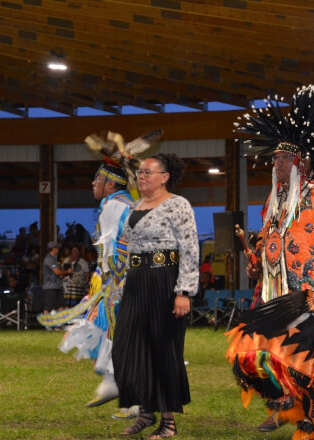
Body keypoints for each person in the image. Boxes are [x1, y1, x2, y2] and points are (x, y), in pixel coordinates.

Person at [226, 85, 314, 439]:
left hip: (313, 298)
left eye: (284, 159)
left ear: (301, 161)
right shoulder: (273, 203)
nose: (277, 164)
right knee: (247, 355)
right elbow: (270, 246)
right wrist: (257, 265)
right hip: (275, 299)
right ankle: (290, 409)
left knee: (311, 371)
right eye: (274, 159)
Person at [38, 130, 161, 414]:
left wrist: (110, 279)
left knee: (113, 331)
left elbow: (118, 249)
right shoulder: (124, 204)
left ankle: (130, 392)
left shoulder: (113, 206)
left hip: (125, 280)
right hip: (130, 279)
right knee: (107, 329)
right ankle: (122, 389)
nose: (93, 184)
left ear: (109, 183)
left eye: (97, 179)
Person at [112, 152, 199, 439]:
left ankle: (168, 421)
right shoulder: (137, 205)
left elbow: (189, 249)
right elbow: (130, 249)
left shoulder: (178, 205)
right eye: (140, 172)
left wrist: (184, 292)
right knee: (128, 347)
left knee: (163, 349)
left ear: (165, 177)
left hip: (164, 282)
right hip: (136, 283)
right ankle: (146, 412)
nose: (142, 176)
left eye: (149, 172)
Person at [42, 241, 72, 316]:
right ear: (54, 249)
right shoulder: (49, 258)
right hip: (50, 287)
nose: (58, 249)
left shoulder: (54, 259)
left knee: (60, 305)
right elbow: (56, 272)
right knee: (49, 306)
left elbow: (56, 273)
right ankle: (47, 325)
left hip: (57, 285)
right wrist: (67, 271)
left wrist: (61, 275)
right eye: (57, 248)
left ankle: (59, 323)